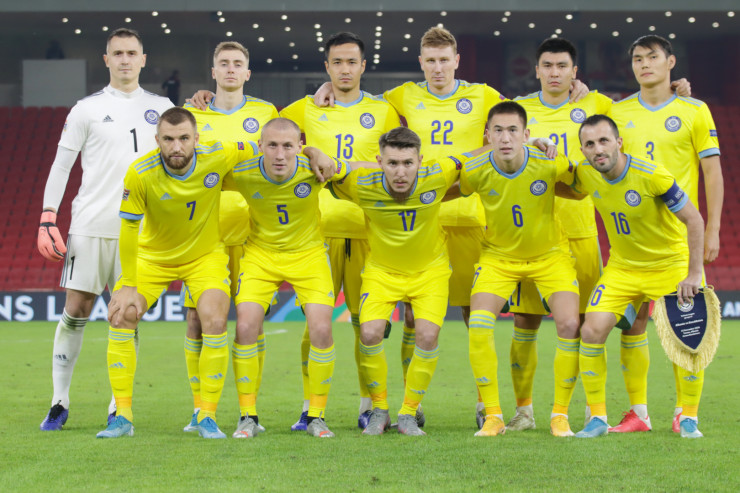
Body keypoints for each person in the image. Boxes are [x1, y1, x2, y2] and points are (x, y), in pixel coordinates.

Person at [315, 26, 588, 427]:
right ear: (421, 63)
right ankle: (412, 406)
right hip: (423, 217)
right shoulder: (403, 95)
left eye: (445, 60)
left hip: (472, 216)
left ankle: (483, 403)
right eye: (431, 61)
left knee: (475, 313)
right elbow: (357, 96)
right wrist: (329, 86)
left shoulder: (483, 94)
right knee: (412, 316)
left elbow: (517, 117)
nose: (438, 68)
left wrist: (574, 87)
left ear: (457, 61)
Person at [37, 27, 173, 431]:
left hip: (141, 231)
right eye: (118, 53)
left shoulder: (163, 107)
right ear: (107, 60)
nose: (125, 59)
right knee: (76, 310)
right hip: (91, 225)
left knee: (126, 313)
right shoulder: (86, 109)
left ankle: (119, 405)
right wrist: (48, 216)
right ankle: (59, 401)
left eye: (132, 52)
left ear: (143, 59)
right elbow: (62, 165)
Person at [96, 107, 259, 439]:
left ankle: (206, 416)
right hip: (154, 257)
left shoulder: (218, 154)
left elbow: (259, 146)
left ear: (196, 138)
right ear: (157, 140)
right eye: (168, 139)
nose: (176, 147)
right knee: (121, 313)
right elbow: (128, 230)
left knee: (215, 320)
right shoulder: (140, 173)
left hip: (204, 257)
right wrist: (128, 284)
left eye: (184, 138)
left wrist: (308, 151)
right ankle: (122, 417)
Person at [280, 31, 401, 431]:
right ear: (327, 67)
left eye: (352, 62)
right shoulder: (304, 108)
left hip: (370, 231)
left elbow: (394, 162)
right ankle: (309, 407)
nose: (345, 69)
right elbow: (270, 137)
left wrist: (346, 166)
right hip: (317, 232)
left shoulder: (383, 111)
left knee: (368, 325)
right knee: (315, 325)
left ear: (363, 66)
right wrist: (309, 149)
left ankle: (369, 406)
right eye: (337, 62)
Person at [606, 35, 722, 433]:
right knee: (633, 325)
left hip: (677, 240)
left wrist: (713, 229)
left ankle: (686, 415)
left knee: (686, 325)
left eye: (652, 57)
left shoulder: (694, 110)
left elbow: (712, 173)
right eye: (637, 58)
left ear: (671, 62)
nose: (644, 64)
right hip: (632, 242)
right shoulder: (617, 112)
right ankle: (638, 414)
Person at [331, 127, 472, 436]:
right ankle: (379, 411)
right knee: (369, 333)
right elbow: (327, 169)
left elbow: (476, 156)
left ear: (420, 161)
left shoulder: (438, 174)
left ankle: (408, 413)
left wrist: (529, 143)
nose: (400, 172)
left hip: (430, 273)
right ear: (379, 162)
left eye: (408, 163)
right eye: (392, 163)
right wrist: (313, 152)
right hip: (382, 273)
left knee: (427, 336)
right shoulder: (361, 184)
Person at [573, 114, 705, 438]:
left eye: (604, 141)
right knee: (591, 330)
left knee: (686, 336)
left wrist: (694, 273)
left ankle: (687, 416)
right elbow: (556, 180)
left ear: (619, 142)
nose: (597, 149)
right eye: (589, 144)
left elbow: (694, 220)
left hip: (669, 265)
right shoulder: (585, 174)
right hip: (623, 268)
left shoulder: (652, 175)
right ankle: (602, 418)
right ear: (583, 150)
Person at [506, 38, 612, 435]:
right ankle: (524, 410)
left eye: (562, 66)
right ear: (536, 70)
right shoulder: (517, 109)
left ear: (574, 71)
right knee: (525, 320)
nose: (554, 72)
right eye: (547, 65)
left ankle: (588, 408)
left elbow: (641, 108)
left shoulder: (597, 105)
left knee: (585, 324)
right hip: (532, 233)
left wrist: (676, 88)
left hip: (581, 230)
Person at [459, 101, 581, 437]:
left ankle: (560, 415)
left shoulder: (549, 161)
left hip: (550, 256)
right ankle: (494, 416)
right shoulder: (475, 170)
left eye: (513, 130)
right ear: (487, 135)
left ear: (527, 135)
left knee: (570, 324)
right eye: (498, 130)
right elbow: (449, 191)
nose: (505, 137)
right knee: (479, 325)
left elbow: (582, 186)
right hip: (498, 258)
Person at [226, 118, 349, 438]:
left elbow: (357, 169)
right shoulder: (242, 173)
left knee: (322, 329)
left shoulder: (314, 169)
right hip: (260, 256)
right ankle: (247, 416)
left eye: (288, 146)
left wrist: (319, 153)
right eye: (272, 145)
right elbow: (201, 174)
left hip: (308, 256)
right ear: (260, 146)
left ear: (299, 147)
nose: (279, 154)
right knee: (245, 327)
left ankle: (316, 416)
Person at [180, 41, 279, 434]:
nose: (231, 69)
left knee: (252, 322)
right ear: (213, 71)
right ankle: (199, 409)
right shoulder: (192, 113)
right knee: (196, 321)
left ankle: (248, 411)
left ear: (248, 73)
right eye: (224, 63)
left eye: (238, 63)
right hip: (204, 235)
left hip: (254, 235)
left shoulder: (266, 113)